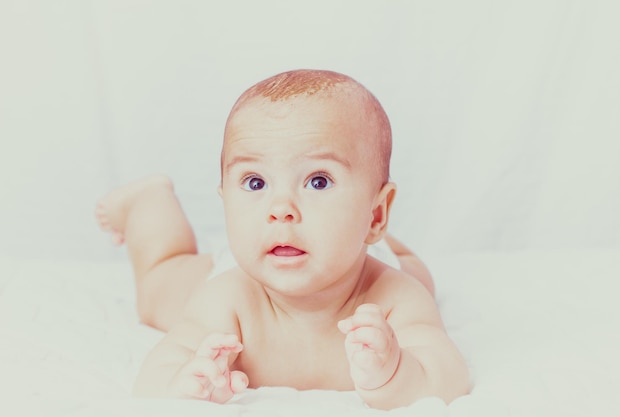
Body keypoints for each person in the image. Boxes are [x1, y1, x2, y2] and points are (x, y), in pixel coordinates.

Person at [95, 69, 469, 410]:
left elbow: (448, 376)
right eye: (255, 182)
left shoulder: (393, 300)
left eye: (318, 181)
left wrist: (396, 372)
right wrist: (184, 382)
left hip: (367, 253)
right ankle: (149, 201)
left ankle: (379, 238)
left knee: (420, 280)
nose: (280, 208)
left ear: (376, 214)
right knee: (159, 288)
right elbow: (157, 371)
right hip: (255, 258)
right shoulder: (228, 298)